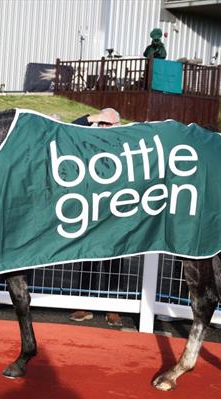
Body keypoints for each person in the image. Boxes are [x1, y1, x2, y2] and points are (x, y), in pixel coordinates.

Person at [68, 108, 124, 328]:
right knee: (87, 256)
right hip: (90, 207)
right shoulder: (87, 140)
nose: (103, 128)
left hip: (115, 208)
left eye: (107, 124)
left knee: (114, 259)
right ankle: (84, 303)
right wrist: (93, 118)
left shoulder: (124, 143)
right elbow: (68, 129)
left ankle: (113, 307)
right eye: (101, 124)